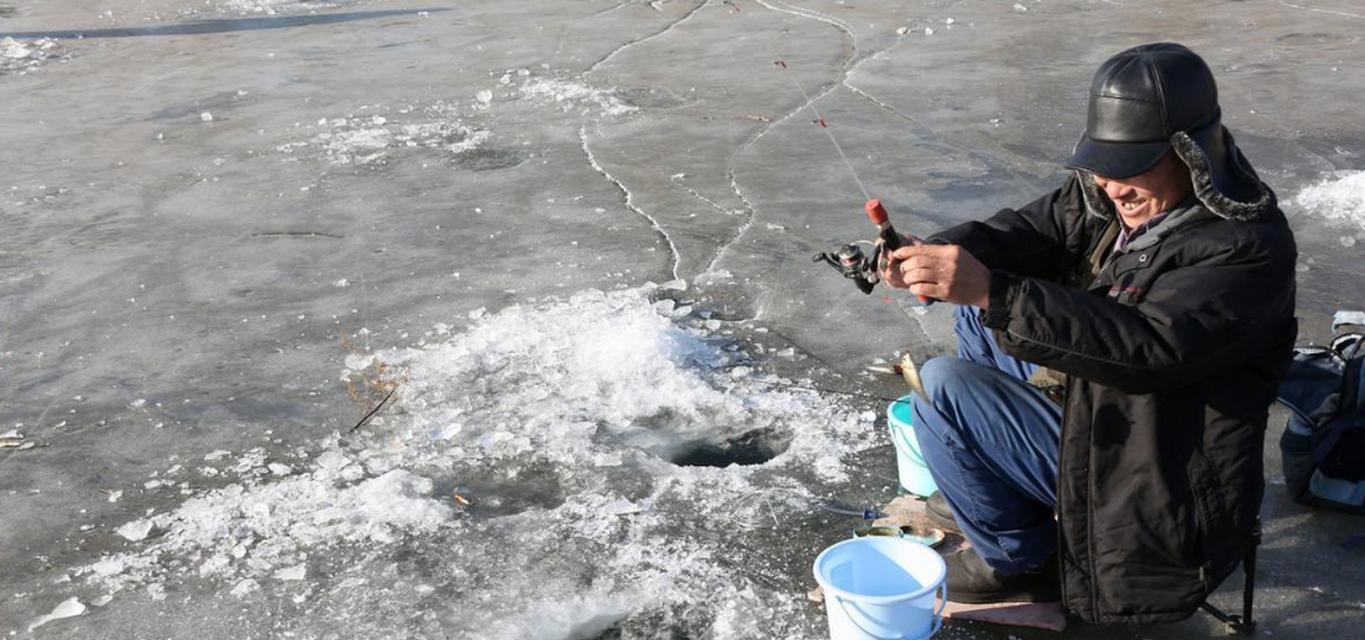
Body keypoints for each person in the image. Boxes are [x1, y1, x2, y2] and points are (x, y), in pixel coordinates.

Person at [879, 43, 1297, 624]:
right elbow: (1028, 231)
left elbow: (1149, 348)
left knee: (939, 385)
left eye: (1135, 166)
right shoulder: (1109, 194)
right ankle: (1008, 498)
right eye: (1106, 164)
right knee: (979, 311)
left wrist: (990, 290)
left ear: (1193, 154)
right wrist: (936, 257)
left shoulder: (1245, 250)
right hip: (1110, 421)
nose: (1114, 186)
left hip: (1156, 481)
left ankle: (1020, 563)